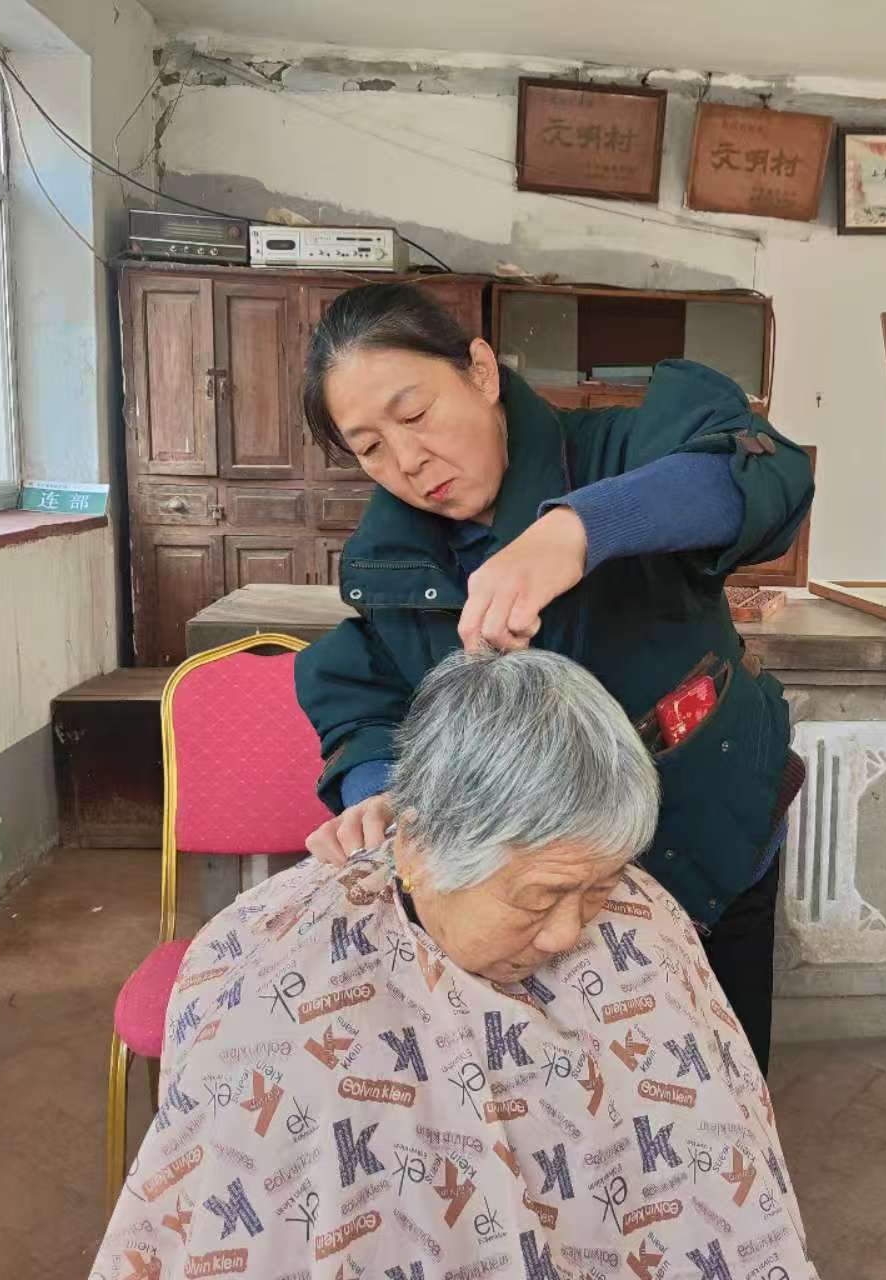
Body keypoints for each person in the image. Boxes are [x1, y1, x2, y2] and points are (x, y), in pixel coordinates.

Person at [90, 648, 817, 1280]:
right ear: (418, 851)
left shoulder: (644, 925)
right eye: (539, 898)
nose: (569, 934)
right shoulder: (284, 976)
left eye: (598, 890)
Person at [294, 284, 813, 1071]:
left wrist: (579, 530)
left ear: (480, 370)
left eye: (416, 413)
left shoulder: (621, 451)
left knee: (717, 1069)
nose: (407, 462)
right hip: (532, 893)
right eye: (369, 448)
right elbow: (368, 688)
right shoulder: (391, 558)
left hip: (708, 825)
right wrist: (382, 789)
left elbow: (761, 474)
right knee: (568, 1094)